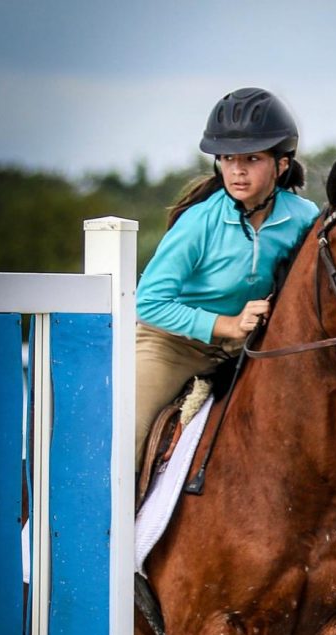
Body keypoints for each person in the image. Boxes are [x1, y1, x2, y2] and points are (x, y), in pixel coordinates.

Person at [135, 87, 320, 469]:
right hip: (173, 347)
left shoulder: (304, 217)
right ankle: (106, 526)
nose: (237, 170)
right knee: (123, 434)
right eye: (228, 159)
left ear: (281, 165)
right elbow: (149, 302)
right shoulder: (198, 222)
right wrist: (227, 324)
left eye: (251, 159)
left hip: (249, 348)